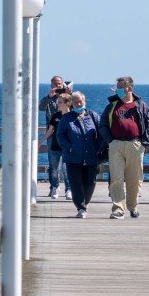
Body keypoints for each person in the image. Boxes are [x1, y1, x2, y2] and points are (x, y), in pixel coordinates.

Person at [99, 76, 149, 219]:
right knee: (116, 178)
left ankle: (133, 206)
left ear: (129, 88)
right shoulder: (112, 105)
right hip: (115, 144)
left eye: (120, 87)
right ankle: (118, 208)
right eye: (117, 87)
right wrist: (110, 141)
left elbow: (148, 125)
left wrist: (143, 143)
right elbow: (103, 123)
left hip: (135, 144)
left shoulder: (141, 105)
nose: (118, 90)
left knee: (135, 178)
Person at [57, 90, 104, 218]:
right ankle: (81, 207)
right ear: (72, 103)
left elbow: (101, 132)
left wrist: (98, 147)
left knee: (90, 183)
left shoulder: (93, 116)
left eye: (80, 101)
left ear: (84, 102)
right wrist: (69, 147)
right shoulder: (67, 118)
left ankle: (84, 203)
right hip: (73, 158)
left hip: (91, 157)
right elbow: (60, 135)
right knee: (75, 183)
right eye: (76, 102)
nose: (78, 104)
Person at [41, 93, 72, 200]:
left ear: (67, 103)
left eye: (60, 102)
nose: (58, 104)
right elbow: (50, 130)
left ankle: (69, 189)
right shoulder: (55, 116)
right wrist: (40, 142)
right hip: (55, 146)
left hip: (67, 147)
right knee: (54, 169)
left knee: (66, 169)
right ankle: (55, 187)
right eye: (58, 102)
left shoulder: (72, 116)